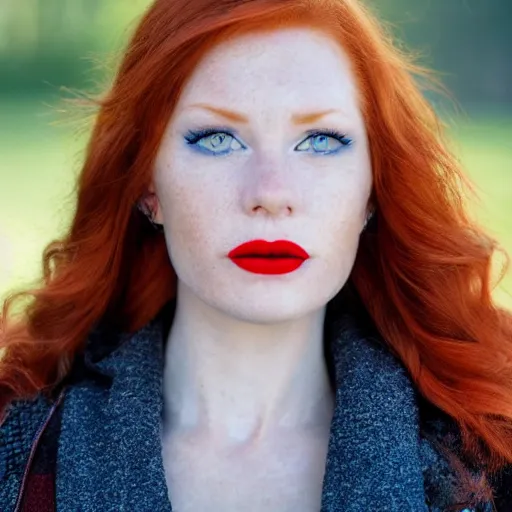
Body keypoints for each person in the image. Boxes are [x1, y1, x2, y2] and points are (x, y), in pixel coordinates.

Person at [1, 0, 511, 510]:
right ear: (146, 183)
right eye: (218, 139)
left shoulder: (488, 461)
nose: (270, 192)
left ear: (374, 188)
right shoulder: (17, 449)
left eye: (321, 140)